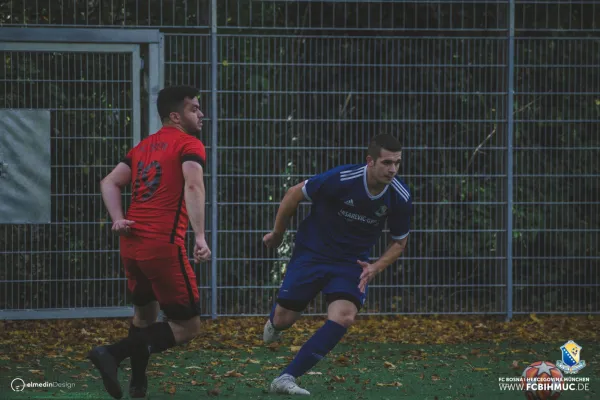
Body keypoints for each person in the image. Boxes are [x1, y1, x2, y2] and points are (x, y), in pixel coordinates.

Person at [262, 134, 412, 395]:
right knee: (284, 319)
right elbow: (294, 193)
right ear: (370, 161)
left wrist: (375, 267)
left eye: (397, 163)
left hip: (351, 263)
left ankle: (287, 377)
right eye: (387, 162)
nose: (392, 170)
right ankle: (275, 322)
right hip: (312, 253)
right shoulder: (343, 178)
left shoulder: (400, 196)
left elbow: (399, 242)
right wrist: (277, 234)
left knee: (344, 316)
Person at [87, 85, 211, 399]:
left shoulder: (142, 147)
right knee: (188, 327)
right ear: (175, 115)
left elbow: (109, 181)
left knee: (144, 317)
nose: (201, 114)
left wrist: (118, 218)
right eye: (194, 108)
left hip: (131, 245)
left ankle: (138, 385)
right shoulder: (189, 143)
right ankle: (111, 353)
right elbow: (193, 187)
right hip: (162, 247)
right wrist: (199, 236)